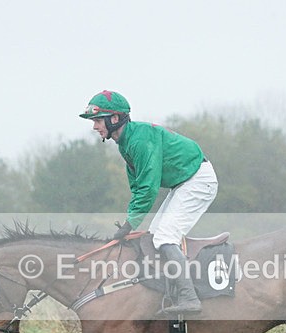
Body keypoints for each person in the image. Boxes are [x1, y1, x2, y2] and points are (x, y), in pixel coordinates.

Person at [79, 90, 218, 314]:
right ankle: (168, 292)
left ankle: (190, 298)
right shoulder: (126, 141)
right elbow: (137, 187)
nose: (94, 126)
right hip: (185, 181)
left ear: (115, 119)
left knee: (165, 237)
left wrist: (130, 224)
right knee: (155, 238)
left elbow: (148, 188)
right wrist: (129, 222)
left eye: (97, 120)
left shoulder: (139, 141)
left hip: (198, 180)